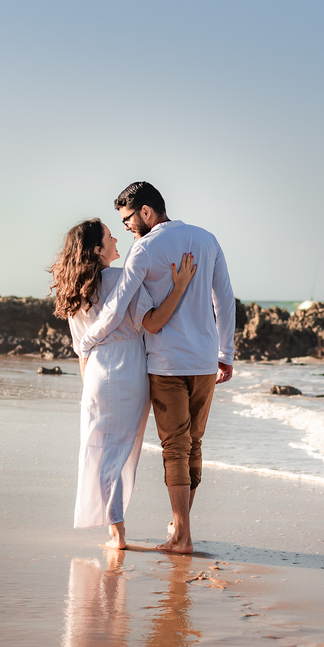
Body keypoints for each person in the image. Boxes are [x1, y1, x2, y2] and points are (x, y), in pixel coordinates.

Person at [79, 182, 234, 554]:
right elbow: (225, 297)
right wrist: (226, 352)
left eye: (129, 219)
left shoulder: (143, 250)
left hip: (165, 364)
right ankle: (180, 526)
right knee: (193, 445)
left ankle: (181, 535)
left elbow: (119, 305)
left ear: (146, 212)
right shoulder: (206, 239)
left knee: (175, 449)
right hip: (203, 361)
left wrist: (88, 340)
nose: (128, 227)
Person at [50, 218, 196, 550]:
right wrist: (180, 286)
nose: (117, 238)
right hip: (127, 369)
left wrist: (88, 387)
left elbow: (81, 348)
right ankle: (117, 533)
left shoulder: (75, 289)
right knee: (120, 452)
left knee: (102, 450)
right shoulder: (119, 278)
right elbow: (155, 323)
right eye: (109, 236)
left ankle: (114, 528)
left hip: (96, 372)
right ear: (98, 249)